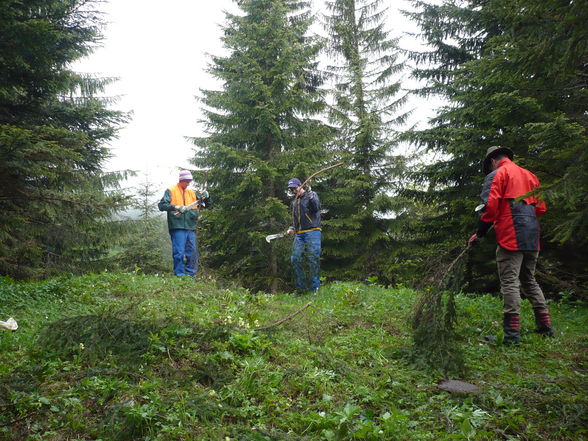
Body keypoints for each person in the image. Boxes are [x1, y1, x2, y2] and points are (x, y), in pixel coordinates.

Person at [468, 146, 554, 344]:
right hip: (532, 234)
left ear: (491, 161)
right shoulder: (530, 175)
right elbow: (540, 208)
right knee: (529, 280)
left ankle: (512, 335)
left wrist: (480, 231)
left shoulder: (497, 174)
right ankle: (546, 327)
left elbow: (490, 207)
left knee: (509, 282)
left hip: (511, 235)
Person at [158, 171, 208, 276]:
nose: (188, 183)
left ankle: (190, 276)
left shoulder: (192, 193)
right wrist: (176, 207)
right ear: (181, 180)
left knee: (192, 252)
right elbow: (162, 205)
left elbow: (206, 204)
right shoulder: (171, 190)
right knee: (179, 253)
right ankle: (179, 276)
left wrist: (207, 197)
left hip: (190, 226)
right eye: (186, 181)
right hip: (177, 226)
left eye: (190, 181)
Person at [287, 178, 321, 294]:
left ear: (300, 186)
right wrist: (292, 228)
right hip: (300, 234)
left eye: (295, 188)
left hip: (313, 231)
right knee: (295, 259)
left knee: (313, 259)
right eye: (291, 189)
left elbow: (316, 207)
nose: (293, 191)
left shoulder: (311, 195)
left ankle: (314, 289)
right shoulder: (294, 202)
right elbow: (295, 219)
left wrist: (310, 194)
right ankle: (300, 289)